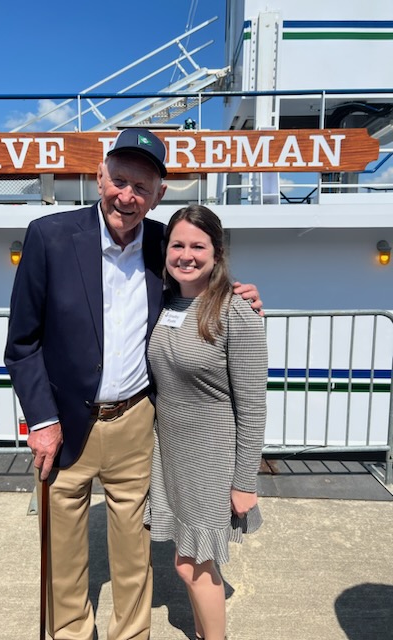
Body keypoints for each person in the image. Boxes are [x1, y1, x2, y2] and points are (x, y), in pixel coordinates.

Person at [4, 128, 263, 640]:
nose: (128, 196)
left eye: (141, 187)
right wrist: (42, 420)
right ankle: (73, 633)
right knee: (63, 551)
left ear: (159, 193)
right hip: (63, 423)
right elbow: (22, 343)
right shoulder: (49, 236)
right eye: (119, 180)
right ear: (100, 176)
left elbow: (201, 272)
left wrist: (240, 294)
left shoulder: (164, 243)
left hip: (136, 422)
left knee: (133, 554)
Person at [144, 204, 268, 640]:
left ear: (217, 254)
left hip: (211, 459)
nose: (186, 254)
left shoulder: (237, 311)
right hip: (173, 455)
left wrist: (244, 482)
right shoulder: (164, 303)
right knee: (192, 559)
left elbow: (252, 405)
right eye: (177, 244)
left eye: (198, 246)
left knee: (189, 563)